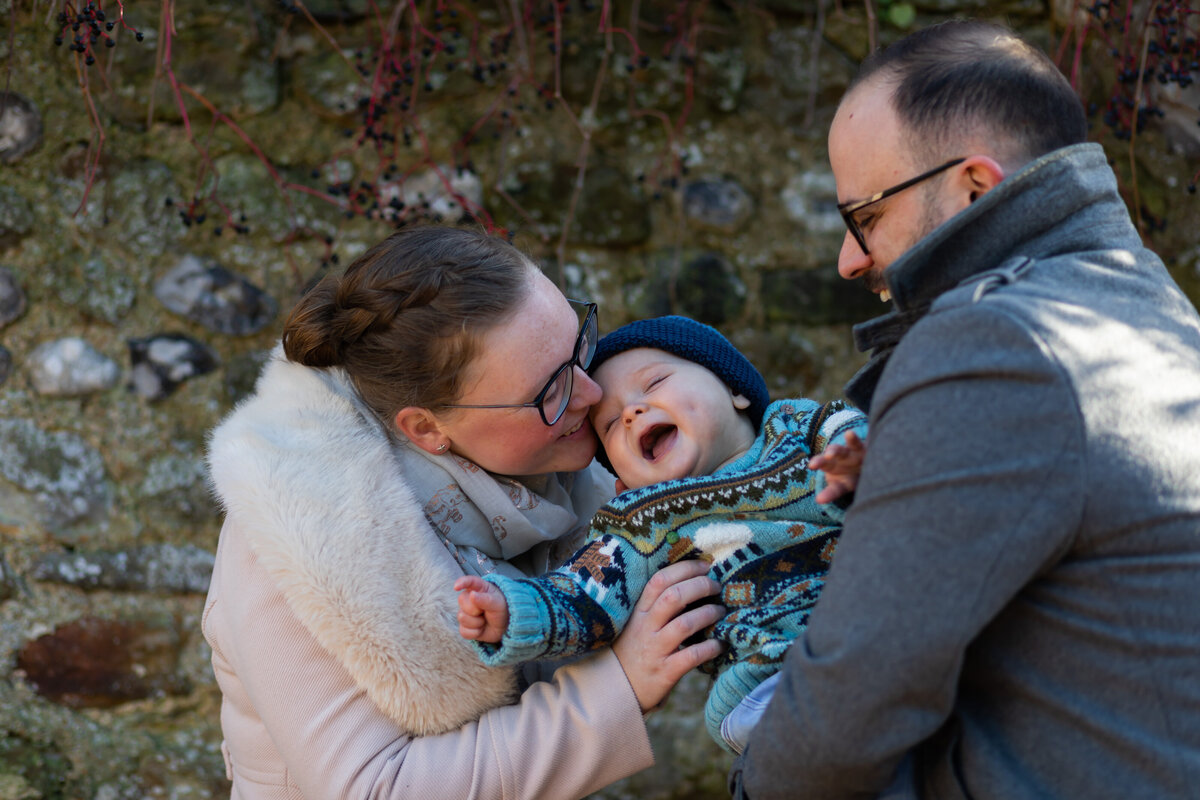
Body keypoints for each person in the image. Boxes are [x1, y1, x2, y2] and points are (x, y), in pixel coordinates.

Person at [729, 19, 1200, 799]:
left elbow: (850, 704)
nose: (849, 259)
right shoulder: (1150, 310)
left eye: (865, 217)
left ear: (975, 186)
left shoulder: (997, 340)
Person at [200, 226, 727, 799]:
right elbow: (376, 788)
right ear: (427, 429)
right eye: (549, 390)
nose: (592, 394)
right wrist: (620, 684)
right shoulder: (299, 525)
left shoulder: (572, 473)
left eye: (579, 345)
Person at [454, 315, 868, 755]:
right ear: (623, 481)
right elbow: (586, 594)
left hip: (870, 607)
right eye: (610, 424)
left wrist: (856, 462)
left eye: (653, 384)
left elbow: (848, 429)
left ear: (735, 391)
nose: (631, 413)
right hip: (770, 671)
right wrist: (514, 612)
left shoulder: (794, 429)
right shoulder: (644, 518)